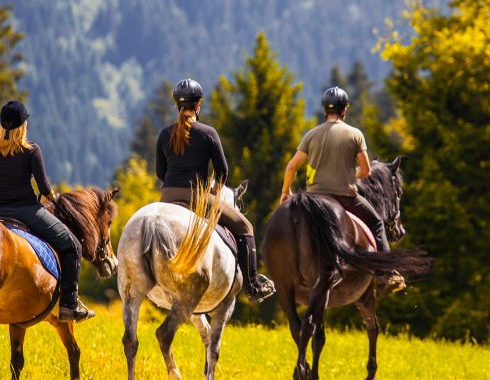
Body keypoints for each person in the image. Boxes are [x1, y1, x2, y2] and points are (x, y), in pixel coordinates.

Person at [156, 78, 275, 304]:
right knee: (245, 227)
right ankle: (253, 286)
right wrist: (213, 191)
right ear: (198, 105)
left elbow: (160, 172)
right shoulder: (208, 133)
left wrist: (173, 187)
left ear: (177, 105)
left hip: (167, 196)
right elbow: (222, 171)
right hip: (197, 197)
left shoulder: (164, 134)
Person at [0, 100, 95, 321]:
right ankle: (69, 304)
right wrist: (53, 197)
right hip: (27, 211)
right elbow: (43, 188)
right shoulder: (31, 150)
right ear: (23, 125)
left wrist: (2, 186)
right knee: (72, 246)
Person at [280, 86, 405, 291]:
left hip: (315, 198)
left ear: (324, 111)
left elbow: (292, 166)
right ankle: (387, 274)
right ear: (344, 110)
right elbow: (365, 171)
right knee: (376, 223)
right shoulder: (355, 135)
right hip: (345, 197)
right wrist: (346, 174)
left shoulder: (311, 135)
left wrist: (286, 191)